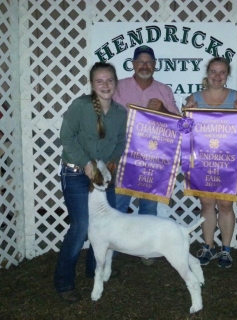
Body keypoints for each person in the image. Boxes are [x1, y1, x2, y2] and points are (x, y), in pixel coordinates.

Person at [54, 62, 127, 302]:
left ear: (115, 83)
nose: (105, 85)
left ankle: (93, 270)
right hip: (75, 173)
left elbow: (120, 143)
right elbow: (66, 136)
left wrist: (110, 164)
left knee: (106, 224)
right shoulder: (81, 106)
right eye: (100, 81)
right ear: (92, 84)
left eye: (109, 81)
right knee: (81, 226)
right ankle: (64, 282)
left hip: (103, 176)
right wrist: (86, 163)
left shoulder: (120, 112)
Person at [112, 45, 180, 266]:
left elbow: (181, 125)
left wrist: (163, 109)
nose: (144, 65)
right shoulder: (119, 87)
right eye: (140, 61)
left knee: (148, 208)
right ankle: (113, 250)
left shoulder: (164, 91)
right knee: (118, 205)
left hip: (153, 159)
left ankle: (146, 249)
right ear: (132, 64)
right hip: (124, 157)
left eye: (149, 62)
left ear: (155, 65)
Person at [184, 57, 237, 268]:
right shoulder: (194, 98)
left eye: (222, 72)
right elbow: (183, 132)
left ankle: (226, 249)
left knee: (225, 205)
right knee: (207, 204)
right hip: (203, 161)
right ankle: (208, 246)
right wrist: (187, 112)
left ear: (227, 74)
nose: (217, 76)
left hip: (227, 161)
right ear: (207, 73)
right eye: (213, 72)